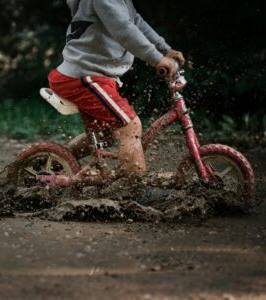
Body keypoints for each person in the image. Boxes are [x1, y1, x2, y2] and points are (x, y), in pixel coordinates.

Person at [48, 0, 185, 178]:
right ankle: (136, 191)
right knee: (130, 125)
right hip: (83, 76)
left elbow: (135, 21)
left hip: (92, 75)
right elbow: (124, 30)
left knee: (105, 134)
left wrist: (164, 49)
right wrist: (156, 58)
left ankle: (59, 161)